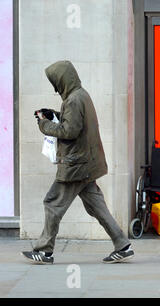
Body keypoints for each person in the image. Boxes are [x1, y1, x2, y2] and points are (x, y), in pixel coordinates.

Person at [22, 60, 134, 265]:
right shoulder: (81, 95)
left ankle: (44, 250)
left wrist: (44, 124)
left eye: (55, 83)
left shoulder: (73, 100)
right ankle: (122, 244)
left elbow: (69, 131)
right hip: (86, 164)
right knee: (96, 206)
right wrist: (54, 114)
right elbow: (73, 123)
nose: (55, 89)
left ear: (62, 80)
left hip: (76, 166)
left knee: (53, 202)